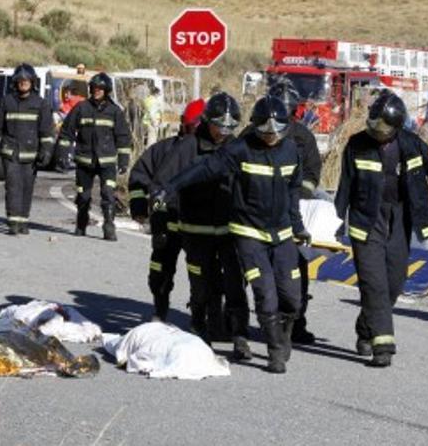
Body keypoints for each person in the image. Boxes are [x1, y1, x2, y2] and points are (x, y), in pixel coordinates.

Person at [156, 95, 311, 374]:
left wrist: (298, 226)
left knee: (292, 297)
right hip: (247, 232)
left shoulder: (291, 151)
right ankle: (273, 350)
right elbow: (204, 168)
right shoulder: (240, 150)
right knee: (263, 292)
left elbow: (293, 191)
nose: (271, 137)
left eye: (277, 131)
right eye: (266, 131)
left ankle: (284, 330)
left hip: (282, 234)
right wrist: (171, 188)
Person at [334, 91, 428, 367]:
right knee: (373, 282)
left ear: (397, 127)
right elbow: (345, 186)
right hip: (367, 220)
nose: (377, 130)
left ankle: (366, 328)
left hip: (400, 219)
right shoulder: (356, 145)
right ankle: (383, 345)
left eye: (383, 127)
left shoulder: (412, 144)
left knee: (394, 282)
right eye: (374, 123)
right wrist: (338, 219)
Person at [154, 93, 247, 353]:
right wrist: (161, 225)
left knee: (234, 284)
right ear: (207, 121)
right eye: (219, 126)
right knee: (201, 283)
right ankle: (199, 325)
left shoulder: (237, 147)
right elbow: (161, 187)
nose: (223, 132)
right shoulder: (187, 147)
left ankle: (238, 333)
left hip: (230, 230)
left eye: (230, 128)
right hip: (195, 230)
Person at [128, 98, 205, 322]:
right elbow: (140, 178)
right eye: (190, 127)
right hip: (168, 223)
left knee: (201, 274)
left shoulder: (212, 153)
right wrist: (144, 207)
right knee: (160, 270)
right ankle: (160, 310)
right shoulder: (163, 150)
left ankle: (201, 317)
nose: (193, 133)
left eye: (197, 128)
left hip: (198, 226)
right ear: (183, 123)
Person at [263, 81, 322, 344]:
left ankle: (296, 323)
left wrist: (300, 194)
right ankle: (235, 320)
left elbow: (312, 173)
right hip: (259, 214)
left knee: (297, 271)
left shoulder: (303, 137)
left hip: (292, 213)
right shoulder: (256, 132)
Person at [56, 72, 131, 241]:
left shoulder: (115, 111)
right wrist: (62, 154)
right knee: (83, 195)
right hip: (84, 161)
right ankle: (81, 223)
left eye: (100, 89)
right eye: (94, 89)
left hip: (107, 162)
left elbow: (123, 137)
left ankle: (109, 225)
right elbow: (66, 131)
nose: (97, 91)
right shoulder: (82, 108)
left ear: (107, 90)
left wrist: (124, 160)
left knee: (108, 194)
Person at [0, 63, 54, 235]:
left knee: (27, 188)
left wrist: (46, 151)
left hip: (31, 156)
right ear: (15, 82)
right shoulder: (6, 101)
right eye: (20, 80)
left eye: (26, 80)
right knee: (13, 187)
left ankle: (23, 221)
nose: (23, 83)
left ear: (32, 82)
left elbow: (46, 131)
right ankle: (13, 222)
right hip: (10, 154)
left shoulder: (41, 104)